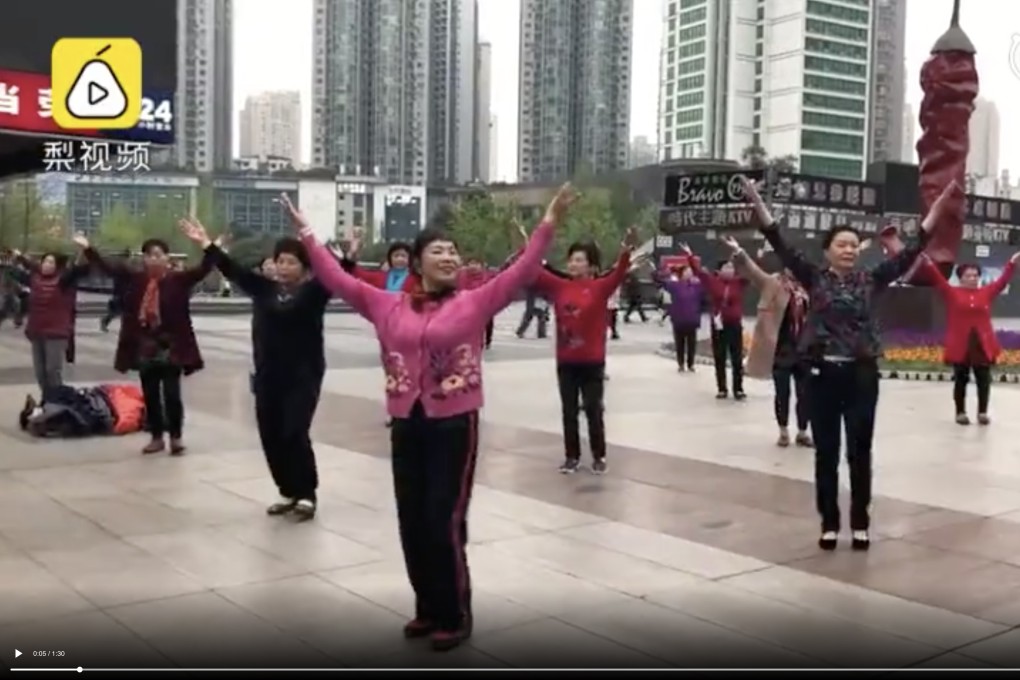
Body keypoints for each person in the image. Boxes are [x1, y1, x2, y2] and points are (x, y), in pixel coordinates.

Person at [284, 184, 574, 651]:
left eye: (452, 251)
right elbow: (337, 279)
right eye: (438, 250)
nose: (449, 257)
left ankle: (454, 613)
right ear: (417, 262)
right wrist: (308, 236)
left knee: (444, 518)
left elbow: (522, 271)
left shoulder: (474, 301)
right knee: (412, 519)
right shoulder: (386, 305)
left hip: (454, 422)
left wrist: (549, 223)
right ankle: (427, 606)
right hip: (406, 421)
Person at [743, 176, 956, 551]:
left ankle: (860, 523)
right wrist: (757, 202)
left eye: (854, 245)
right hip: (822, 375)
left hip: (861, 375)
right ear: (827, 250)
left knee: (859, 452)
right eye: (841, 244)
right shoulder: (813, 277)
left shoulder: (872, 279)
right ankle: (829, 523)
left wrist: (937, 210)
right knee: (826, 452)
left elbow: (913, 249)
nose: (848, 250)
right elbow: (778, 240)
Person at [181, 219, 330, 521]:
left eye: (291, 262)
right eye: (280, 261)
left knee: (294, 431)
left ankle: (306, 493)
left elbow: (335, 275)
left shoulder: (313, 293)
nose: (284, 267)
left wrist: (348, 256)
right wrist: (206, 243)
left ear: (304, 268)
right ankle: (287, 491)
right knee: (270, 434)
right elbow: (232, 269)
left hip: (302, 376)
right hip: (267, 375)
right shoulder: (263, 289)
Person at [77, 232, 214, 456]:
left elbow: (204, 269)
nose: (154, 259)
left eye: (159, 255)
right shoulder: (135, 279)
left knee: (172, 394)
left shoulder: (178, 280)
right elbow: (108, 268)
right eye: (150, 255)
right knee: (150, 394)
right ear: (144, 258)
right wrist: (88, 249)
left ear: (167, 257)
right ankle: (156, 437)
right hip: (144, 345)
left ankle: (176, 437)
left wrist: (208, 246)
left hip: (171, 346)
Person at [880, 227, 1019, 425]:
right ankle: (960, 412)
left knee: (983, 379)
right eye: (968, 276)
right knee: (961, 379)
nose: (973, 279)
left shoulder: (986, 292)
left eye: (975, 276)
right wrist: (927, 262)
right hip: (961, 344)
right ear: (961, 278)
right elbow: (937, 277)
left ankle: (982, 412)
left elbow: (1003, 281)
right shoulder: (952, 292)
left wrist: (1012, 263)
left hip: (981, 343)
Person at [533, 229, 640, 475]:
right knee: (569, 411)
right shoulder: (559, 285)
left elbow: (619, 272)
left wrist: (626, 251)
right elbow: (533, 270)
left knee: (593, 409)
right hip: (566, 361)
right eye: (571, 259)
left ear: (591, 265)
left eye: (579, 260)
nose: (573, 264)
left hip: (592, 361)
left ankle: (599, 456)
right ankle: (571, 457)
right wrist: (527, 247)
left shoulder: (600, 287)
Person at [722, 239, 812, 447]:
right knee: (782, 393)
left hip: (804, 349)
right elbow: (753, 271)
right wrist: (740, 251)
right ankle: (783, 431)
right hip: (781, 348)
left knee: (805, 394)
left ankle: (802, 431)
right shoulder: (774, 283)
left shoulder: (806, 287)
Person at [11, 247, 91, 398]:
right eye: (45, 261)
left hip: (56, 334)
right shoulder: (35, 279)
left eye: (51, 262)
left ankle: (57, 401)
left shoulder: (64, 281)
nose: (46, 265)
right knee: (40, 372)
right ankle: (47, 400)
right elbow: (18, 272)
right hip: (37, 332)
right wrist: (16, 259)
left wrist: (83, 250)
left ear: (57, 266)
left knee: (52, 370)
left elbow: (77, 270)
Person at [683, 246, 749, 399]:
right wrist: (690, 256)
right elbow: (699, 272)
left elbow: (752, 272)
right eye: (727, 267)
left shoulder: (739, 282)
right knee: (720, 357)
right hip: (719, 325)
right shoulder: (713, 282)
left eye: (731, 267)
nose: (730, 270)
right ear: (719, 271)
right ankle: (722, 388)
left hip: (735, 324)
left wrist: (749, 256)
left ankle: (738, 388)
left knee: (737, 358)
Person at [20, 383, 145, 439]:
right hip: (100, 401)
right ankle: (40, 412)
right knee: (61, 395)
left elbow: (124, 422)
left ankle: (39, 414)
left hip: (101, 409)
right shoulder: (136, 397)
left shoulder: (138, 407)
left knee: (70, 410)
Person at [653, 264, 703, 372]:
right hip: (678, 319)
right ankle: (681, 364)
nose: (689, 273)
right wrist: (662, 272)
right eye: (687, 271)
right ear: (682, 273)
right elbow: (659, 280)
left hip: (692, 319)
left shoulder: (696, 286)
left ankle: (691, 364)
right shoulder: (674, 285)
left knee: (691, 344)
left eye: (690, 271)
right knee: (680, 343)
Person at [100, 249, 131, 332]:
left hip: (121, 291)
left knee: (121, 311)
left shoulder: (120, 265)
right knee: (117, 311)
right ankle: (105, 321)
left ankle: (106, 322)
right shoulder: (124, 266)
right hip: (121, 292)